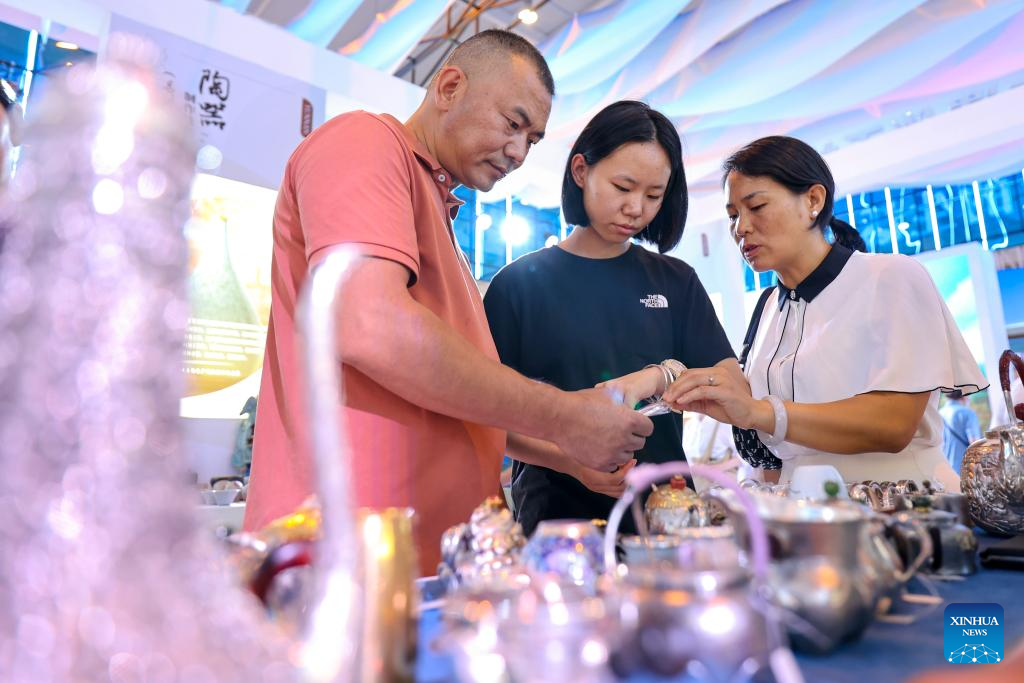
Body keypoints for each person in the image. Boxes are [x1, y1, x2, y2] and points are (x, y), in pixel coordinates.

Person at [244, 30, 653, 574]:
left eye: (532, 139)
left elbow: (453, 397)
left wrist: (565, 453)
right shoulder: (363, 141)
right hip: (346, 560)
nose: (518, 152)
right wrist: (564, 417)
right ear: (450, 86)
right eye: (512, 124)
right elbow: (372, 325)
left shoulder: (441, 217)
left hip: (429, 562)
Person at [663, 135, 986, 489]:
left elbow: (894, 424)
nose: (741, 227)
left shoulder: (890, 276)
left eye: (756, 207)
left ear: (813, 200)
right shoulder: (769, 307)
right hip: (804, 506)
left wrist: (760, 412)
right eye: (733, 215)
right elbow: (774, 449)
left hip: (899, 500)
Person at [483, 100, 738, 535]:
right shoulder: (518, 285)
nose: (636, 208)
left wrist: (658, 376)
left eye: (654, 195)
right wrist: (571, 459)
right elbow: (488, 415)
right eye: (623, 187)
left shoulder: (675, 281)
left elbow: (733, 384)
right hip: (557, 527)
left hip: (667, 517)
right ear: (581, 171)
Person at [939, 391, 982, 474]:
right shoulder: (967, 413)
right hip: (964, 470)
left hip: (945, 469)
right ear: (964, 395)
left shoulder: (939, 414)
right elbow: (974, 443)